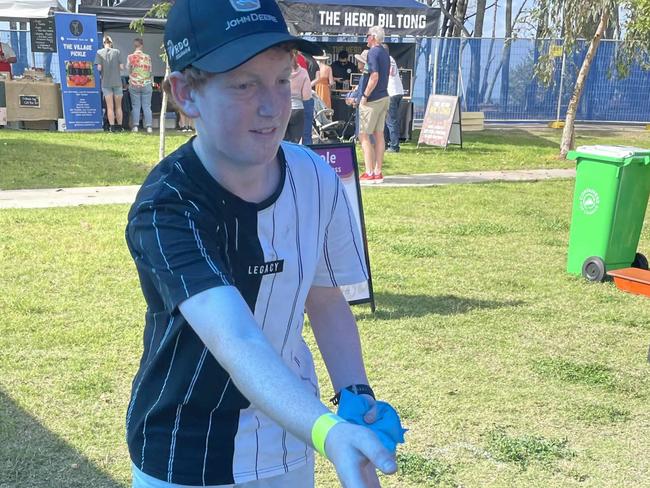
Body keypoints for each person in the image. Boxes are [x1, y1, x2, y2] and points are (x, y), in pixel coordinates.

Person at [124, 1, 399, 488]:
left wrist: (354, 397)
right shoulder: (167, 205)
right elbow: (235, 339)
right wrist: (330, 433)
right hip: (188, 452)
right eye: (244, 85)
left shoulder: (316, 176)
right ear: (186, 93)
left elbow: (325, 297)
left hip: (294, 439)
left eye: (280, 79)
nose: (273, 107)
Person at [358, 27, 390, 185]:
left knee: (363, 135)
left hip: (373, 100)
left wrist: (364, 96)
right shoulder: (385, 52)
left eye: (368, 36)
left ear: (374, 37)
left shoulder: (373, 52)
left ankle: (369, 172)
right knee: (379, 135)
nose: (366, 39)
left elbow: (374, 76)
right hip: (384, 96)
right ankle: (378, 172)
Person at [95, 35, 125, 132]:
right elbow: (121, 67)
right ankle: (120, 127)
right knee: (119, 106)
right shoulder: (117, 52)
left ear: (103, 43)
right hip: (117, 82)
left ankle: (112, 127)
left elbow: (99, 68)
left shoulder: (99, 53)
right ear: (111, 43)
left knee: (109, 107)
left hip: (106, 82)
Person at [127, 38, 154, 133]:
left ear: (134, 46)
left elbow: (129, 71)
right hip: (146, 84)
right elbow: (150, 72)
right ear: (142, 45)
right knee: (147, 106)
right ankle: (149, 127)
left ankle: (135, 126)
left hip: (134, 84)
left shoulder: (130, 57)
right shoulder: (148, 57)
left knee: (136, 106)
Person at [382, 44, 404, 153]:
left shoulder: (384, 60)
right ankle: (385, 144)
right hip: (398, 91)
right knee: (388, 120)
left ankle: (394, 146)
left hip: (390, 92)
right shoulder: (391, 59)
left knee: (391, 121)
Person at [285, 50, 311, 143]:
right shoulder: (303, 72)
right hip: (298, 109)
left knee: (282, 142)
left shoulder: (281, 72)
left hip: (282, 108)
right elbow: (306, 96)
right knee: (295, 142)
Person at [300, 51, 318, 145]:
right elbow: (318, 78)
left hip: (294, 99)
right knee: (307, 134)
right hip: (307, 96)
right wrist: (309, 86)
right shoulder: (313, 62)